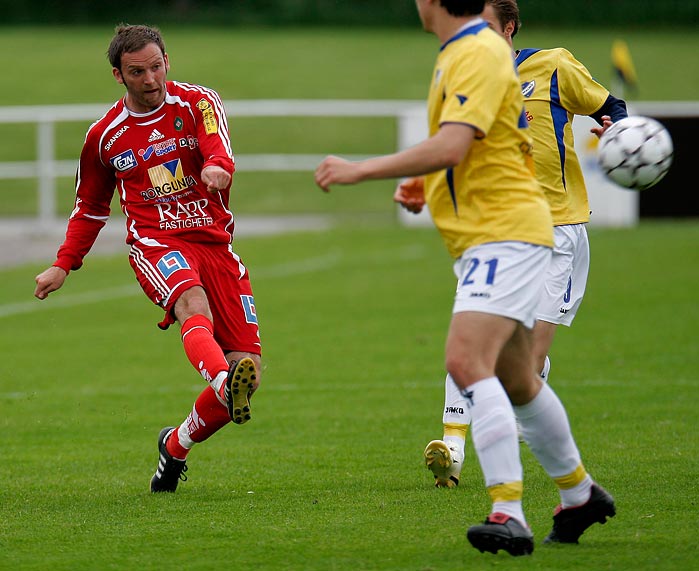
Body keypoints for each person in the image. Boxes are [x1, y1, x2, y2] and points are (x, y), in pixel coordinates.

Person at [315, 0, 615, 556]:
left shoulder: (475, 50)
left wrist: (362, 168)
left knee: (465, 361)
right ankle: (580, 495)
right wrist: (425, 184)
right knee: (520, 378)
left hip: (506, 233)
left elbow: (455, 144)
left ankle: (508, 512)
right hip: (496, 231)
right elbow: (486, 147)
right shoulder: (464, 51)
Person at [418, 0, 626, 532]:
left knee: (515, 365)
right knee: (485, 357)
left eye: (487, 24)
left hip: (555, 231)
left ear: (509, 27)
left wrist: (620, 136)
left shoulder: (553, 66)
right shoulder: (467, 71)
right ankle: (554, 490)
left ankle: (517, 496)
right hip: (497, 233)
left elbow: (612, 107)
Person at [33, 24, 261, 493]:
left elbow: (218, 147)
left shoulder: (199, 102)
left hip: (216, 245)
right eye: (138, 72)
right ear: (118, 75)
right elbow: (90, 208)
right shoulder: (104, 137)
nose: (150, 79)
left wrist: (218, 167)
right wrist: (63, 263)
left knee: (250, 375)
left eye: (156, 67)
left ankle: (175, 445)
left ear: (167, 62)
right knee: (192, 305)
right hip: (157, 244)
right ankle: (220, 379)